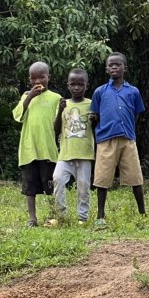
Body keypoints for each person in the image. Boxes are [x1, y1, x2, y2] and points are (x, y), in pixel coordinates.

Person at [90, 52, 146, 225]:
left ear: (125, 68)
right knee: (102, 178)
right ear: (107, 69)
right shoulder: (100, 92)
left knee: (135, 176)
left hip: (128, 138)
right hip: (106, 139)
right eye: (110, 65)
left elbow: (136, 114)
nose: (114, 67)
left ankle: (142, 213)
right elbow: (95, 114)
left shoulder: (133, 91)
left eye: (118, 64)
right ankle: (100, 215)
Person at [12, 61, 62, 226]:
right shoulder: (26, 96)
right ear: (29, 79)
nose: (37, 81)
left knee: (50, 185)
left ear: (49, 77)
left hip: (48, 150)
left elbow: (59, 124)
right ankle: (32, 218)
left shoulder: (56, 98)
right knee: (30, 187)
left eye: (42, 77)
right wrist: (29, 97)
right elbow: (17, 115)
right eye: (33, 78)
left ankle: (52, 216)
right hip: (28, 149)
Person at [48, 68, 94, 225]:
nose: (76, 88)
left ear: (86, 86)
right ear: (68, 85)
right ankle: (60, 215)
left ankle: (82, 217)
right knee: (57, 179)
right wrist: (60, 111)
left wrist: (95, 119)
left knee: (83, 186)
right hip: (65, 154)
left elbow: (96, 127)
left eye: (80, 85)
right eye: (73, 84)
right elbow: (55, 129)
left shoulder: (91, 104)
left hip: (85, 154)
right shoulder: (63, 104)